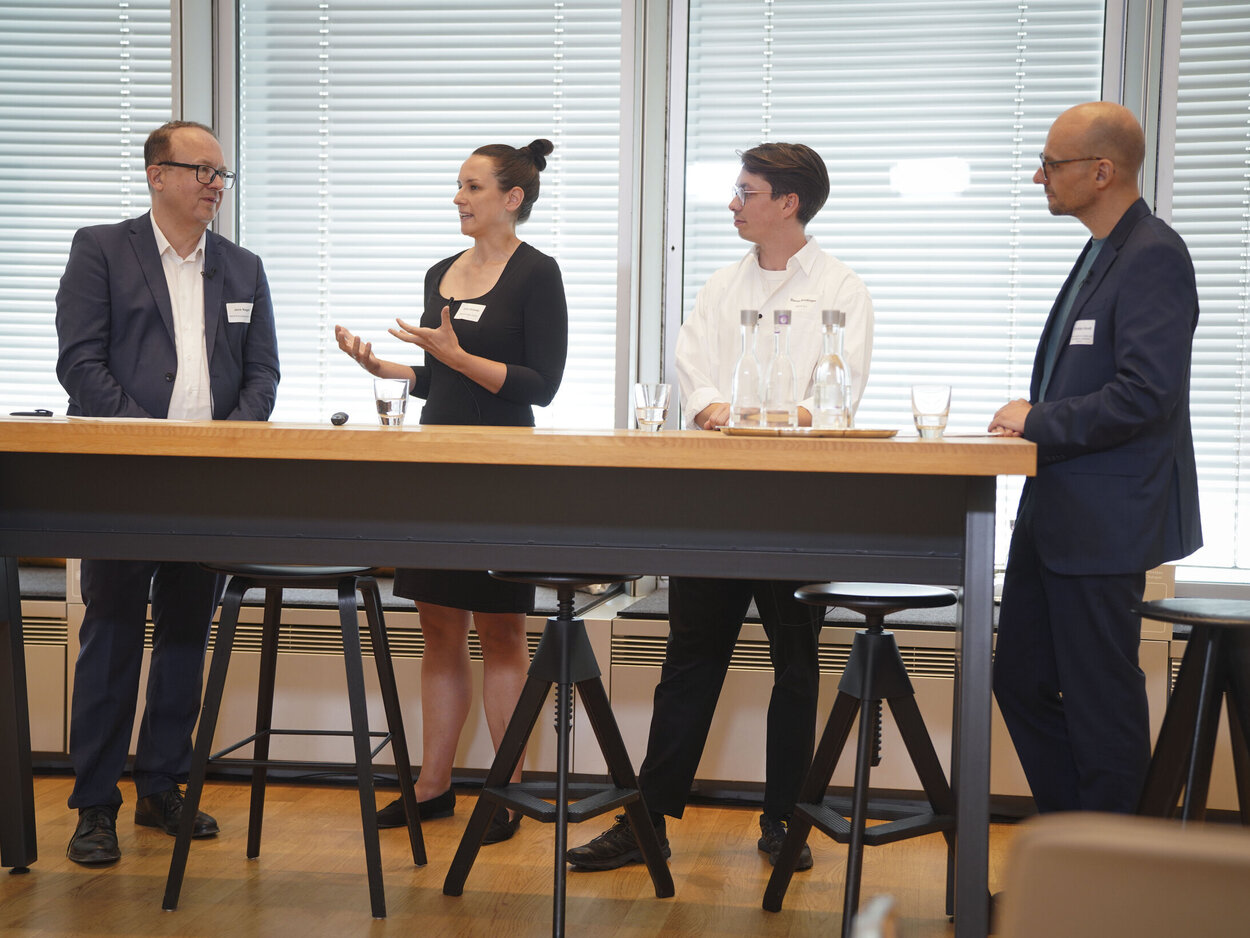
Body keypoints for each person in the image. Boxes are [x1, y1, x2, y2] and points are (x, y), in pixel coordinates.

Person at [566, 142, 874, 872]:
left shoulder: (842, 287)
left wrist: (771, 418)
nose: (733, 204)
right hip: (716, 500)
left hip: (800, 505)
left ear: (788, 202)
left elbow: (837, 391)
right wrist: (716, 410)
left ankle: (783, 822)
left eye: (746, 191)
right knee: (690, 662)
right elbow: (692, 370)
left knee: (795, 667)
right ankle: (649, 825)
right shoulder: (718, 286)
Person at [55, 120, 281, 865]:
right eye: (201, 171)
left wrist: (221, 445)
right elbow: (80, 365)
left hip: (208, 486)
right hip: (124, 478)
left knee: (186, 636)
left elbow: (262, 376)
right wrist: (145, 441)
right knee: (112, 636)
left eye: (222, 175)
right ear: (157, 175)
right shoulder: (103, 249)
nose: (215, 186)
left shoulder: (243, 268)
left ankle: (161, 787)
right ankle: (94, 805)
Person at [335, 139, 567, 844]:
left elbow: (542, 387)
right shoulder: (442, 271)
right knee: (437, 627)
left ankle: (507, 790)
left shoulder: (537, 274)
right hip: (438, 463)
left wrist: (457, 356)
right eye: (458, 187)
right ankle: (432, 787)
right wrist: (390, 368)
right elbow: (444, 379)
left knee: (501, 630)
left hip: (502, 469)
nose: (459, 198)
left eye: (471, 187)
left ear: (511, 197)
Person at [988, 102, 1202, 814]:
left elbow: (1146, 396)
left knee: (1100, 704)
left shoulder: (1154, 256)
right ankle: (1077, 844)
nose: (1037, 175)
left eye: (1051, 163)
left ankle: (1111, 879)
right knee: (1018, 681)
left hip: (1103, 524)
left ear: (1101, 171)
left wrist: (1037, 420)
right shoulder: (1100, 251)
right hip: (1055, 516)